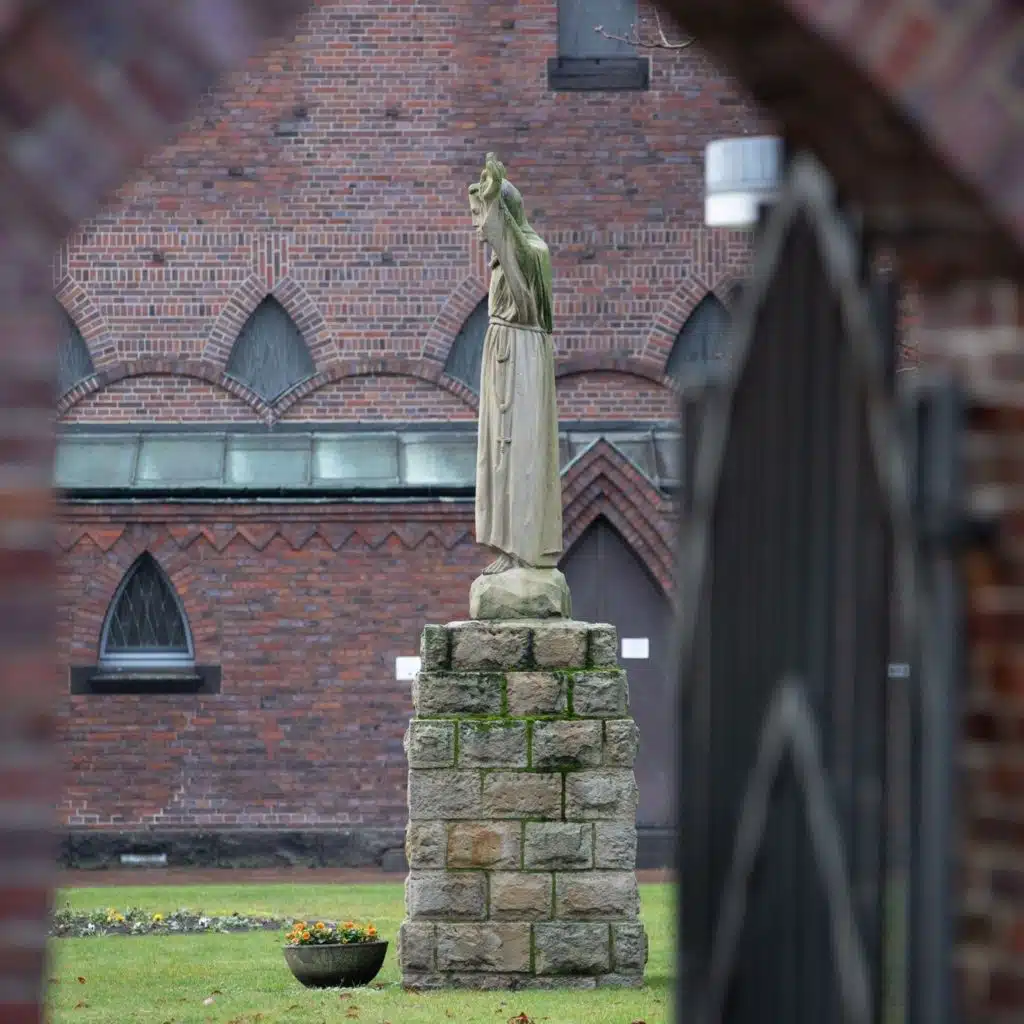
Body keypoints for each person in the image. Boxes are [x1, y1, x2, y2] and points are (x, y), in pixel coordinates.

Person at [468, 153, 562, 576]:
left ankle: (527, 551)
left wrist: (494, 208)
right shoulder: (505, 257)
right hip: (501, 354)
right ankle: (508, 549)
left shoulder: (532, 252)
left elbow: (511, 249)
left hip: (523, 356)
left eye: (480, 214)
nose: (476, 225)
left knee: (521, 449)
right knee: (500, 455)